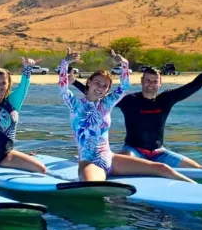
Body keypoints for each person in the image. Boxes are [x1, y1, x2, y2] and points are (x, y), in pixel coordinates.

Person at [70, 47, 202, 169]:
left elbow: (196, 84)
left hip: (159, 152)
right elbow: (98, 96)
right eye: (148, 80)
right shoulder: (129, 100)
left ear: (160, 83)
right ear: (142, 81)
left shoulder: (166, 99)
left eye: (155, 81)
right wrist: (75, 83)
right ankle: (95, 160)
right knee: (121, 161)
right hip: (133, 151)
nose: (151, 84)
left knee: (199, 169)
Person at [58, 47, 194, 183]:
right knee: (92, 183)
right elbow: (63, 88)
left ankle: (198, 189)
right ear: (89, 82)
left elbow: (124, 87)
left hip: (110, 159)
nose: (100, 88)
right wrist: (65, 63)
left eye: (105, 86)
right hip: (90, 162)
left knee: (162, 168)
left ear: (107, 90)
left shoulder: (106, 104)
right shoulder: (75, 105)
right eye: (97, 83)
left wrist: (124, 64)